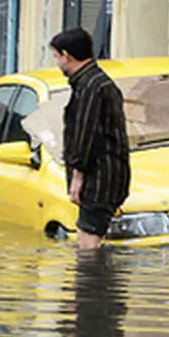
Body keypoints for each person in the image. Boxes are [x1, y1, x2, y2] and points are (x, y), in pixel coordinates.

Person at [50, 27, 130, 250]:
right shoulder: (97, 83)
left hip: (99, 179)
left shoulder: (90, 87)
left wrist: (77, 177)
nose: (57, 64)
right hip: (107, 176)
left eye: (56, 57)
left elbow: (86, 135)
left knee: (87, 247)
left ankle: (92, 285)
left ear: (66, 55)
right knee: (90, 243)